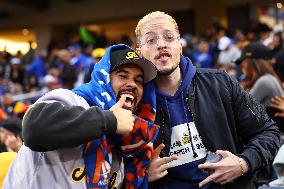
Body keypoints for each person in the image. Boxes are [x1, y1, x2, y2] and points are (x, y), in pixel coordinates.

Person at [135, 11, 280, 189]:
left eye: (169, 37)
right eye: (151, 40)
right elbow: (111, 170)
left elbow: (268, 132)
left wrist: (243, 163)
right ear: (139, 51)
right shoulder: (135, 104)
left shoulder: (219, 82)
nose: (161, 45)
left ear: (179, 45)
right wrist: (140, 175)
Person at [3, 44, 159, 189]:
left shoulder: (127, 141)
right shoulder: (71, 100)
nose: (132, 84)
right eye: (123, 76)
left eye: (138, 81)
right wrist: (109, 120)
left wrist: (143, 176)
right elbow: (33, 129)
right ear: (104, 78)